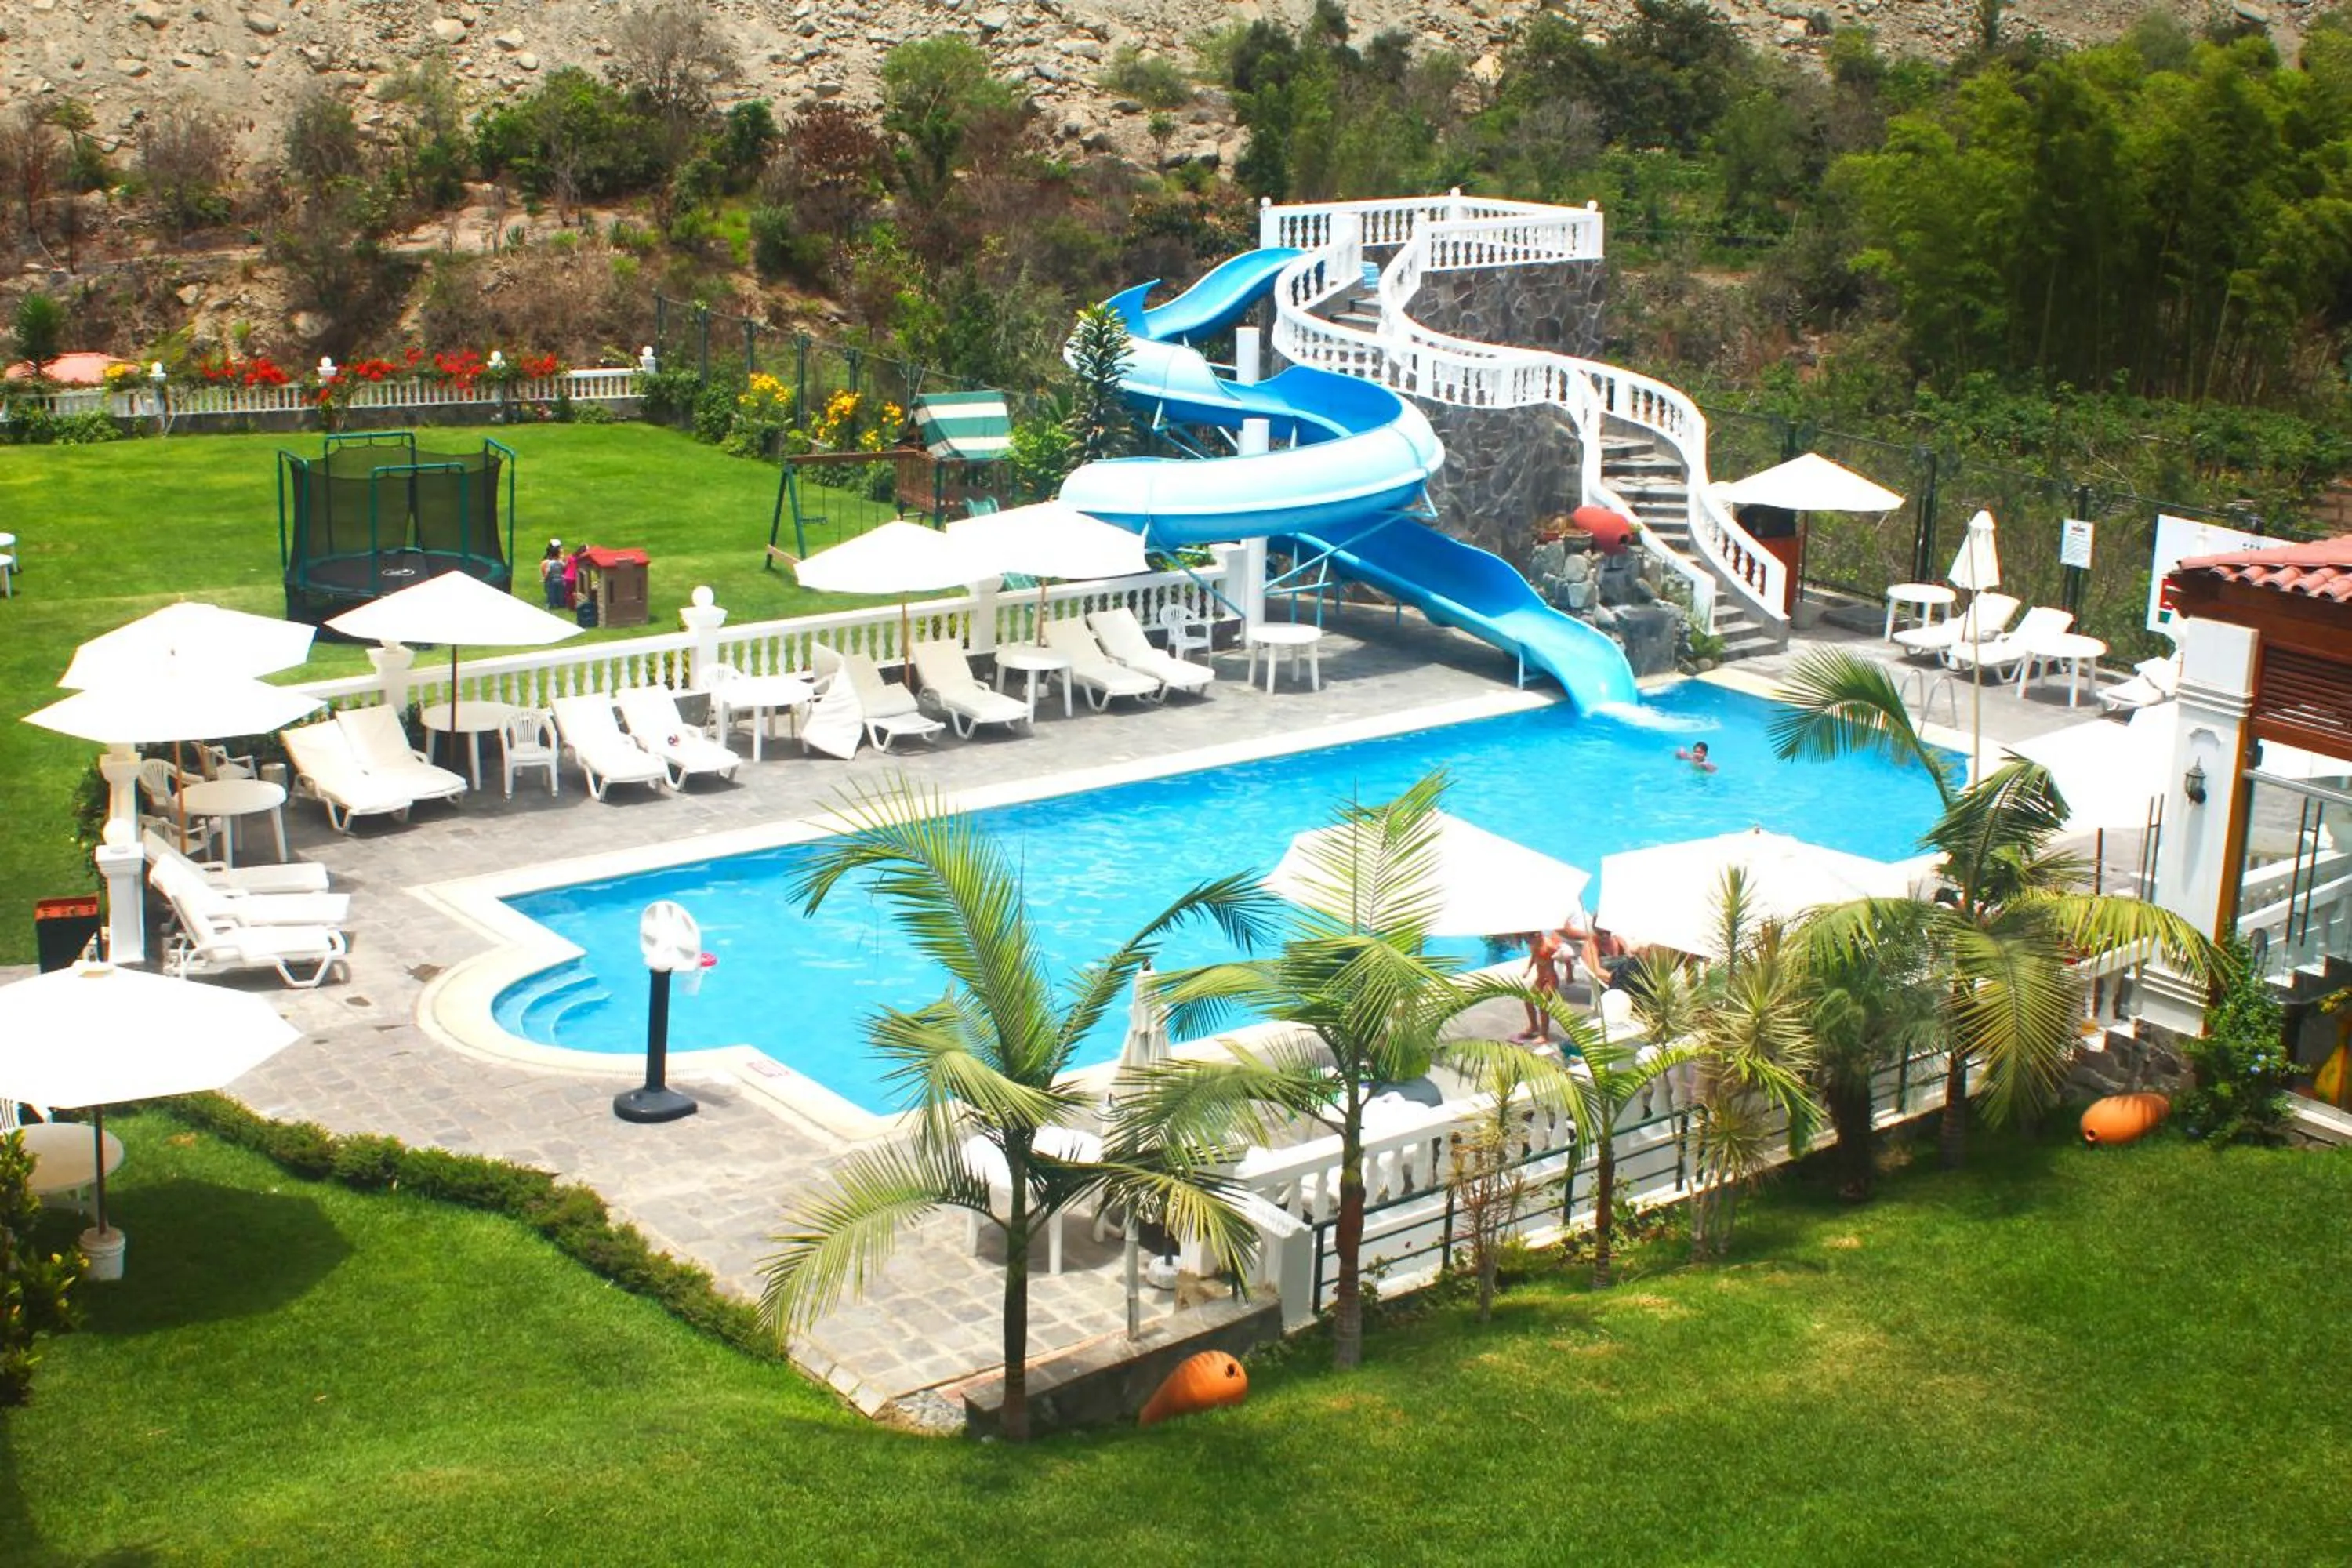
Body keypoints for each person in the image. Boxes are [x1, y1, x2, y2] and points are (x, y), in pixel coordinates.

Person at [1518, 926, 1569, 1044]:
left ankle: (1544, 1035)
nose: (1528, 942)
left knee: (1543, 1006)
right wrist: (1528, 969)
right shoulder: (1533, 945)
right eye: (1527, 940)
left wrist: (1569, 975)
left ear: (1538, 935)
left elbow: (1567, 959)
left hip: (1551, 979)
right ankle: (1534, 1026)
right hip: (1540, 979)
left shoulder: (1550, 946)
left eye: (1529, 939)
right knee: (1528, 1001)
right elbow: (1534, 956)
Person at [539, 539, 567, 611]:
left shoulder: (550, 562)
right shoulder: (559, 561)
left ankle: (551, 604)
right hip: (560, 579)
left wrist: (545, 578)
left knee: (551, 592)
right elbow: (564, 567)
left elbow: (547, 571)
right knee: (560, 592)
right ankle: (561, 604)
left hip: (552, 579)